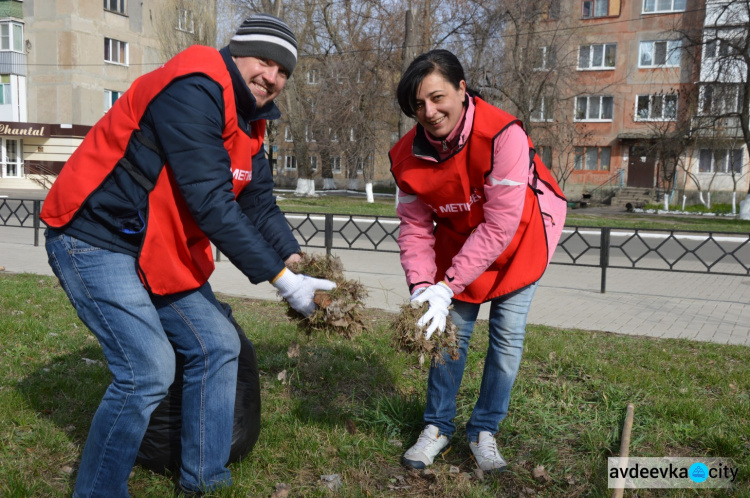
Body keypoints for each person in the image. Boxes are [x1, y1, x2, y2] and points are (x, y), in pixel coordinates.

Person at [41, 14, 335, 497]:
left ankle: (205, 482)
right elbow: (211, 201)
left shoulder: (250, 121)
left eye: (284, 72)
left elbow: (256, 200)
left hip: (154, 245)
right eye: (265, 61)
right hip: (95, 235)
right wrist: (282, 282)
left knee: (220, 343)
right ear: (237, 52)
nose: (273, 77)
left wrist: (294, 258)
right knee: (147, 371)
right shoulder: (195, 84)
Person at [389, 49, 567, 473]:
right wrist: (422, 289)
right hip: (460, 239)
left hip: (521, 237)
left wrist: (446, 285)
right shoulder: (405, 157)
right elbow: (414, 228)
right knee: (451, 335)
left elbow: (501, 224)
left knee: (506, 336)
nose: (429, 112)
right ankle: (436, 427)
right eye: (418, 105)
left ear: (462, 89)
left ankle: (484, 430)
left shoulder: (504, 134)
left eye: (437, 98)